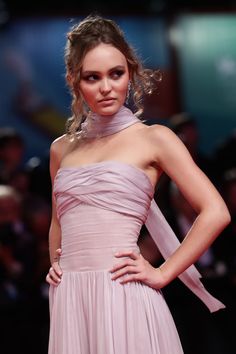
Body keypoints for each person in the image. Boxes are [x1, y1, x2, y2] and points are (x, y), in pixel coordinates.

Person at [45, 15, 231, 354]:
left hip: (125, 293)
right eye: (92, 77)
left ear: (129, 72)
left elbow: (216, 211)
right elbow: (59, 220)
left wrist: (163, 273)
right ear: (75, 81)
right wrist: (56, 265)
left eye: (116, 74)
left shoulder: (154, 139)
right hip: (71, 298)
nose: (106, 87)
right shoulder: (61, 148)